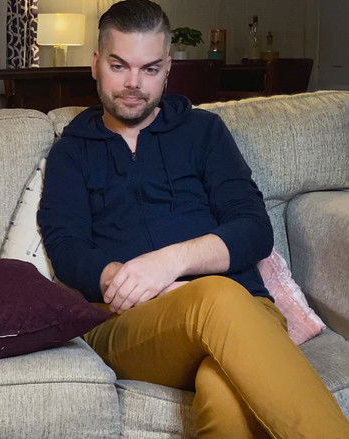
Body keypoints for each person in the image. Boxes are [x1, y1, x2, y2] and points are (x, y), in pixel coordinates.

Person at [37, 1, 349, 437]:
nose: (133, 83)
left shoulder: (204, 131)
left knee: (224, 393)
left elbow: (254, 230)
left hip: (245, 310)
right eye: (118, 65)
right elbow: (67, 247)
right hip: (129, 325)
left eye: (149, 69)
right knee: (215, 297)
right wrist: (130, 282)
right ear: (95, 63)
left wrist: (168, 263)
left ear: (168, 69)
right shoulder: (72, 150)